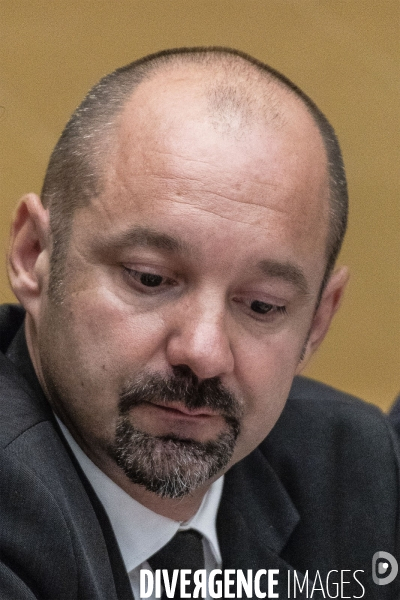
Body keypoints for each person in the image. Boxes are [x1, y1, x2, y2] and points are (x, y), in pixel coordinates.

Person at [1, 47, 399, 600]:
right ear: (35, 255)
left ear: (318, 321)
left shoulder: (354, 468)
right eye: (148, 278)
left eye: (262, 306)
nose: (205, 351)